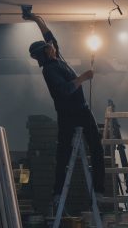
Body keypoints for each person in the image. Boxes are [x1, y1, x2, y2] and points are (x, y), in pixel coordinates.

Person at [26, 12, 105, 203]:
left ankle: (99, 190)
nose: (52, 46)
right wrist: (83, 78)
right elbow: (65, 89)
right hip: (69, 114)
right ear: (45, 53)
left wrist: (36, 20)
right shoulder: (50, 70)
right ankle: (58, 191)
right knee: (64, 152)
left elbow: (49, 36)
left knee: (96, 146)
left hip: (82, 109)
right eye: (49, 47)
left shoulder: (56, 58)